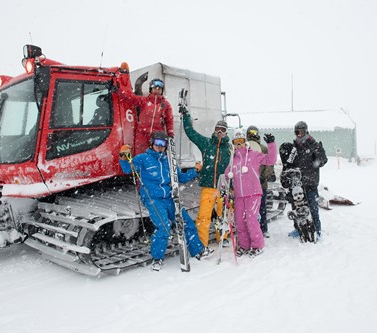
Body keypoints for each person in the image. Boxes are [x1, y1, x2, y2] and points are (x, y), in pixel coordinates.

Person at [118, 131, 209, 271]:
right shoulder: (143, 159)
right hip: (153, 199)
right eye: (158, 143)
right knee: (164, 227)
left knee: (187, 223)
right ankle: (157, 258)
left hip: (170, 198)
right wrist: (124, 156)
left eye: (163, 144)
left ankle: (198, 251)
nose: (160, 147)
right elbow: (126, 169)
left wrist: (195, 171)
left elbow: (181, 178)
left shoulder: (169, 161)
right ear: (152, 143)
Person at [181, 106, 231, 253]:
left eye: (222, 130)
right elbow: (191, 133)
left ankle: (223, 236)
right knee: (204, 217)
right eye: (218, 129)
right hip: (208, 187)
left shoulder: (229, 149)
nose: (219, 132)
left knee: (223, 215)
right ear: (214, 130)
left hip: (223, 188)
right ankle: (202, 243)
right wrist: (186, 117)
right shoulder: (206, 144)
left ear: (226, 132)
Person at [225, 129, 277, 257]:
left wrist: (271, 144)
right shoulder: (233, 160)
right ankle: (244, 245)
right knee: (240, 222)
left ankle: (257, 245)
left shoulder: (253, 155)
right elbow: (226, 175)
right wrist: (225, 187)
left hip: (253, 193)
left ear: (245, 142)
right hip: (239, 196)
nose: (239, 145)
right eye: (236, 142)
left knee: (251, 220)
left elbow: (270, 160)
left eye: (241, 142)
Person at [279, 121, 328, 238]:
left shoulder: (313, 144)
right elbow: (289, 163)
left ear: (306, 131)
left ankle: (317, 229)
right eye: (297, 132)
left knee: (312, 207)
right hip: (297, 183)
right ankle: (299, 228)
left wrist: (317, 151)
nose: (299, 134)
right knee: (297, 207)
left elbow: (323, 160)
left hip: (310, 181)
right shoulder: (294, 147)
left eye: (302, 132)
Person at [116, 67, 174, 155]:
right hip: (142, 135)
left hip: (157, 137)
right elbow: (130, 97)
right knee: (140, 156)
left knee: (155, 157)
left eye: (159, 89)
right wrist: (118, 91)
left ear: (162, 91)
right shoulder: (144, 101)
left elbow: (169, 120)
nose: (157, 90)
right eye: (155, 88)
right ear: (151, 89)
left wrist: (170, 134)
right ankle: (138, 169)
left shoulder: (165, 104)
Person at [246, 125, 276, 238]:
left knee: (262, 207)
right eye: (251, 133)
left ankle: (263, 228)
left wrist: (264, 176)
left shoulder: (263, 148)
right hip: (248, 184)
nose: (253, 135)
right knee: (250, 208)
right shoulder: (245, 148)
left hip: (261, 183)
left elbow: (269, 165)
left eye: (255, 132)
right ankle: (251, 229)